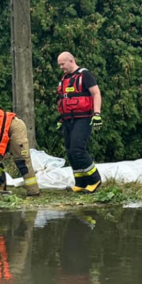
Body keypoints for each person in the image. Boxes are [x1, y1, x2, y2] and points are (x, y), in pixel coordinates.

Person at [56, 52, 103, 193]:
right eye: (59, 65)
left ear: (71, 60)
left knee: (78, 149)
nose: (61, 68)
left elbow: (96, 93)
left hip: (83, 118)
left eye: (62, 64)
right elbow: (63, 100)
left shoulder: (84, 75)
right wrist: (61, 119)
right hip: (67, 120)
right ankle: (80, 182)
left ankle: (95, 180)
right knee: (70, 152)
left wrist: (97, 114)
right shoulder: (65, 78)